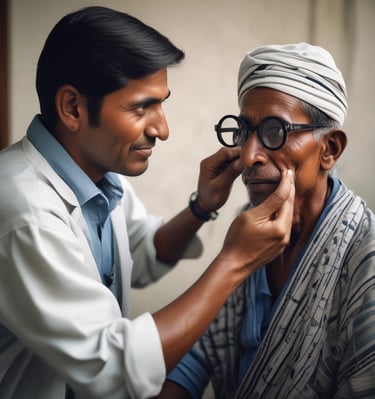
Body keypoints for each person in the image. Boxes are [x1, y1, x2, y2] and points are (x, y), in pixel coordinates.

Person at [0, 7, 295, 399]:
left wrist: (201, 207)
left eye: (162, 104)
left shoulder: (100, 174)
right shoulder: (26, 214)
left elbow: (142, 253)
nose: (162, 129)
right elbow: (112, 370)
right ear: (72, 107)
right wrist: (234, 262)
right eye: (142, 107)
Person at [158, 43, 375, 398]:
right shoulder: (251, 224)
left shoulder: (365, 258)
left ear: (330, 149)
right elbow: (201, 353)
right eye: (244, 132)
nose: (248, 155)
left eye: (276, 131)